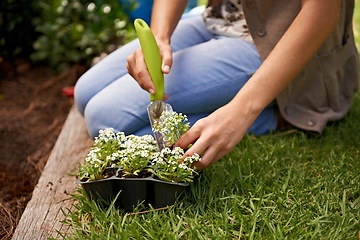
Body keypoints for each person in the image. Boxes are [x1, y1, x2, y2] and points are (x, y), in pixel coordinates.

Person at [74, 0, 359, 170]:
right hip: (220, 17)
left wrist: (240, 112)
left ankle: (285, 110)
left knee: (104, 118)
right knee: (85, 93)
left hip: (278, 39)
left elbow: (323, 11)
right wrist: (160, 38)